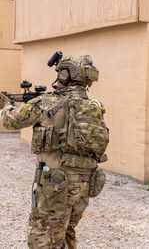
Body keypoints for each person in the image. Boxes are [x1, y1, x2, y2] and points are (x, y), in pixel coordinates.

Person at [0, 53, 109, 248]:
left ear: (65, 74)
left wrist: (6, 105)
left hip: (55, 185)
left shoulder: (47, 102)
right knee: (66, 231)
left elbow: (11, 121)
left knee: (43, 237)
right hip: (84, 185)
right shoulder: (95, 107)